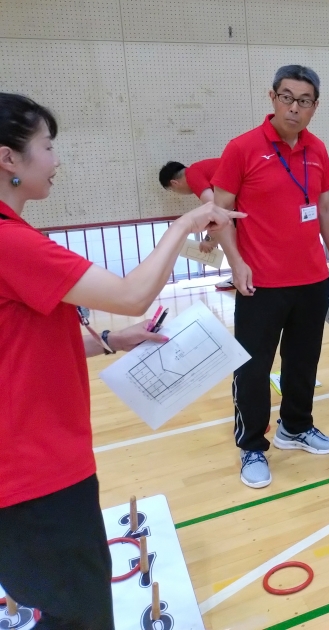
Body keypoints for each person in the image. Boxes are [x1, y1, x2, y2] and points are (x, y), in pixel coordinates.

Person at [0, 93, 240, 628]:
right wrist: (183, 225)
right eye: (47, 146)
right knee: (79, 615)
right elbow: (132, 294)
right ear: (8, 158)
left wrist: (110, 340)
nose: (56, 160)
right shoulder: (11, 243)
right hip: (34, 469)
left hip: (29, 462)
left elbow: (20, 342)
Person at [213, 65, 329, 489]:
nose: (295, 108)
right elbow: (221, 214)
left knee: (303, 361)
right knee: (252, 368)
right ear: (272, 97)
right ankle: (251, 445)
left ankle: (295, 426)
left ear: (315, 106)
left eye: (304, 101)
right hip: (260, 283)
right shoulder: (242, 148)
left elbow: (324, 207)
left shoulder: (317, 148)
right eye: (287, 97)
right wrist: (236, 263)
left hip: (311, 280)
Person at [160, 159, 223, 255]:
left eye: (173, 190)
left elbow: (216, 210)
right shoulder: (196, 171)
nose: (177, 193)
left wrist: (209, 238)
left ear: (174, 183)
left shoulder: (192, 175)